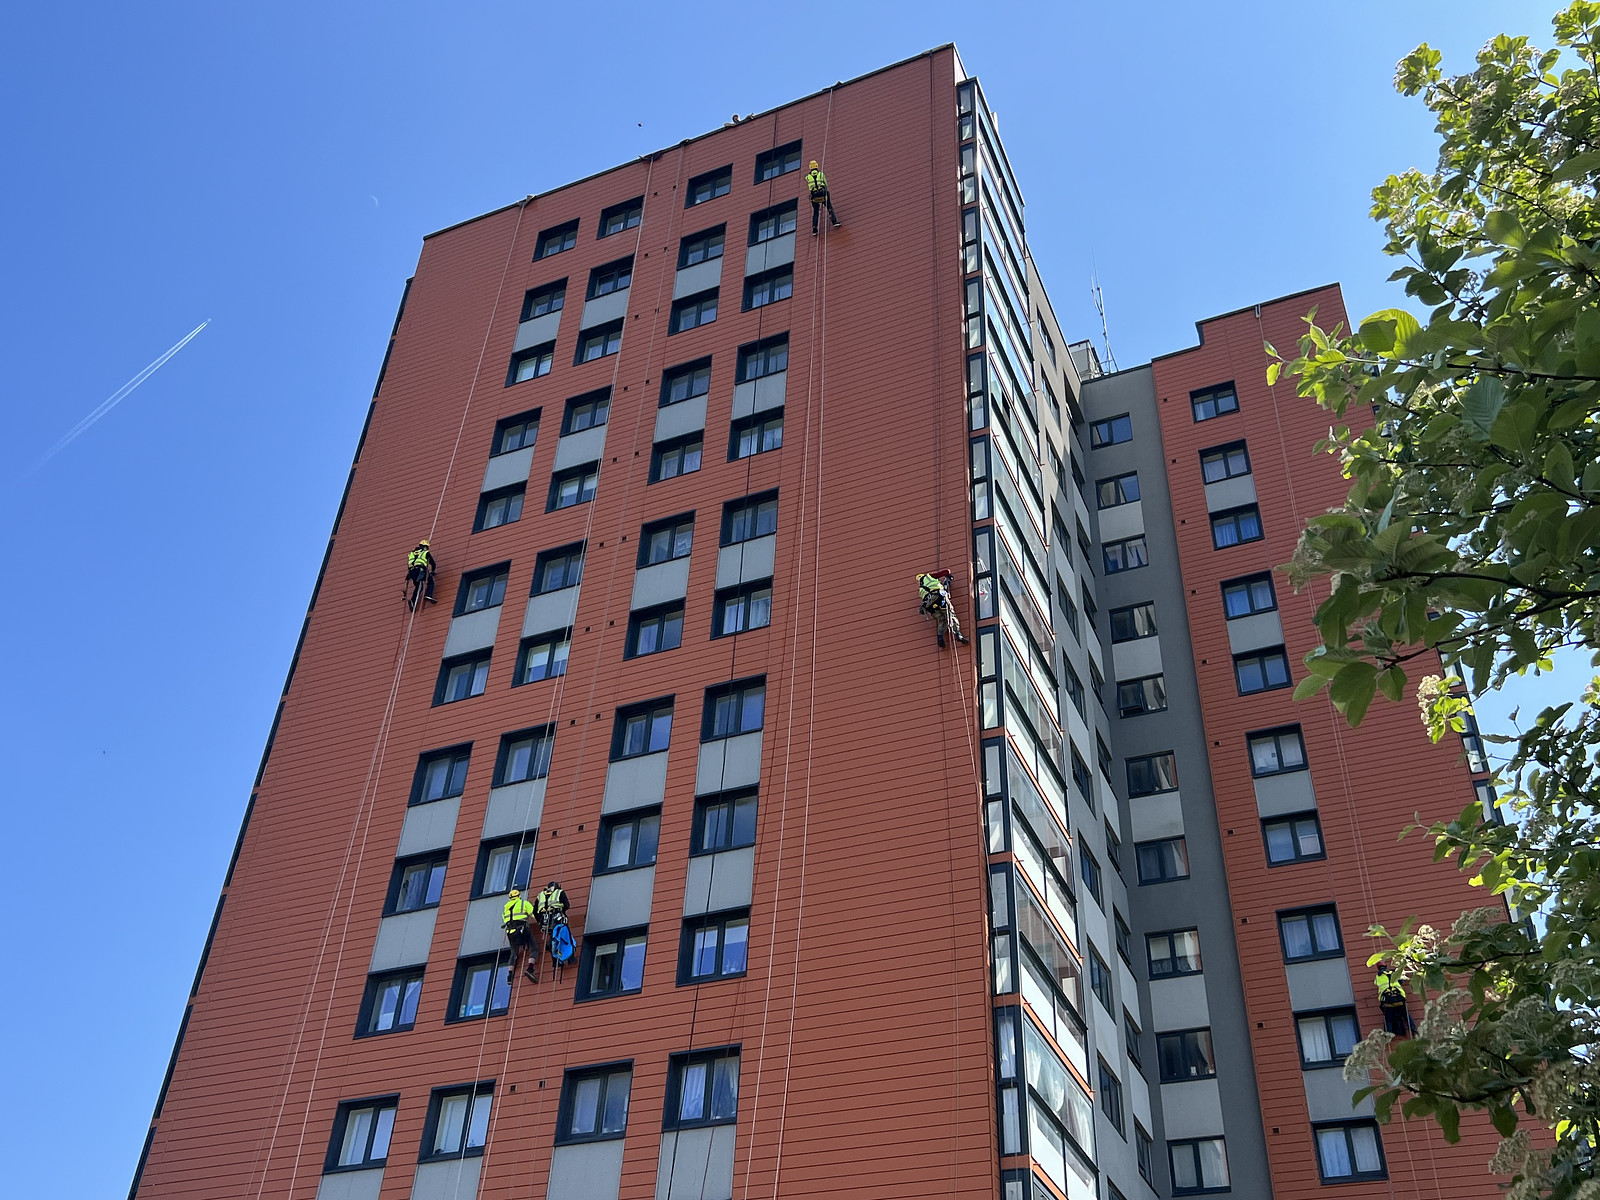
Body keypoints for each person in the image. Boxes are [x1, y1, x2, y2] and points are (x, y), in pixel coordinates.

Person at [917, 570, 969, 648]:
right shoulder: (929, 577)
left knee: (941, 619)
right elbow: (946, 571)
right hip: (938, 597)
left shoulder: (921, 590)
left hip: (929, 605)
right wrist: (949, 576)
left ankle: (940, 637)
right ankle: (958, 634)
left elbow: (925, 600)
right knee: (951, 615)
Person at [502, 886, 537, 980]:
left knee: (513, 953)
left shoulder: (506, 908)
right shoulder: (523, 903)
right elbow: (533, 913)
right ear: (519, 896)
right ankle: (530, 968)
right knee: (534, 948)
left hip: (510, 932)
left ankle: (510, 974)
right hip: (522, 929)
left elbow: (505, 920)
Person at [805, 160, 840, 234]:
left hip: (814, 196)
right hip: (822, 194)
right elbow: (825, 184)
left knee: (815, 212)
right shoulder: (821, 174)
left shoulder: (807, 177)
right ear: (817, 166)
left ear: (810, 167)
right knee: (829, 207)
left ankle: (814, 229)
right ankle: (834, 222)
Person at [1375, 971, 1414, 1037]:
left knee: (1388, 1019)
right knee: (1406, 1016)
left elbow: (1376, 983)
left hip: (1388, 1001)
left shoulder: (1378, 977)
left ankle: (1388, 1034)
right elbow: (1401, 980)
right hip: (1399, 999)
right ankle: (1413, 1029)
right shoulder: (1395, 973)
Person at [405, 539, 437, 611]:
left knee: (419, 586)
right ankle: (429, 595)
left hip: (412, 572)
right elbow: (433, 563)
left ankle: (413, 601)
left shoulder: (412, 553)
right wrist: (433, 571)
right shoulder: (425, 552)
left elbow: (410, 563)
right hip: (421, 570)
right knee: (431, 582)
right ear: (425, 547)